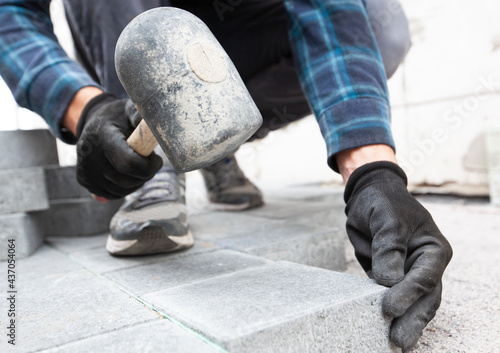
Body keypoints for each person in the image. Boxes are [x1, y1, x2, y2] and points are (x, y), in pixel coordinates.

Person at [0, 0, 452, 351]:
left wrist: (373, 171)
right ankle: (146, 146)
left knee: (383, 29)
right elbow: (10, 13)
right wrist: (86, 109)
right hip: (128, 23)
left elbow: (325, 9)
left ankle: (210, 136)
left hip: (229, 32)